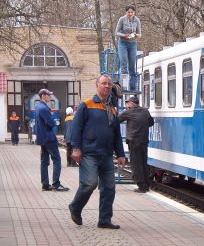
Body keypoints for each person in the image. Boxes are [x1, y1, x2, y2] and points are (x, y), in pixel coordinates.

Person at [68, 74, 126, 229]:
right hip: (89, 153)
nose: (107, 86)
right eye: (103, 83)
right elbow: (76, 127)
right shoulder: (86, 105)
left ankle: (105, 219)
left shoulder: (112, 110)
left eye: (109, 84)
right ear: (97, 86)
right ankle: (75, 207)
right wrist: (76, 148)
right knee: (90, 183)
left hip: (106, 155)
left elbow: (116, 135)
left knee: (109, 188)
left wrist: (120, 154)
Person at [35, 88, 69, 192]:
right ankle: (56, 184)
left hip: (41, 138)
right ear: (43, 96)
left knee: (44, 161)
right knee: (57, 160)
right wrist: (51, 121)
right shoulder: (44, 108)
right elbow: (52, 123)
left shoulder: (38, 107)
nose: (50, 96)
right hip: (49, 138)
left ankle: (45, 184)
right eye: (48, 95)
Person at [118, 96, 154, 193]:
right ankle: (146, 184)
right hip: (144, 141)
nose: (127, 105)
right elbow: (151, 122)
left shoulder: (129, 112)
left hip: (134, 141)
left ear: (133, 103)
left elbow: (117, 120)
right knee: (143, 163)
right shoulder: (146, 111)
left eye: (128, 103)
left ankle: (141, 186)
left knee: (136, 164)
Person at [115, 4, 141, 91]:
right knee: (124, 63)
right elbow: (117, 32)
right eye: (128, 12)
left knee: (132, 64)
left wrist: (137, 35)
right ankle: (124, 86)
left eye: (132, 12)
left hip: (132, 43)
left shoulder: (137, 20)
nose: (130, 14)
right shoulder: (122, 19)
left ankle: (133, 87)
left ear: (134, 12)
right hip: (123, 43)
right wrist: (124, 35)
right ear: (126, 12)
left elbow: (139, 33)